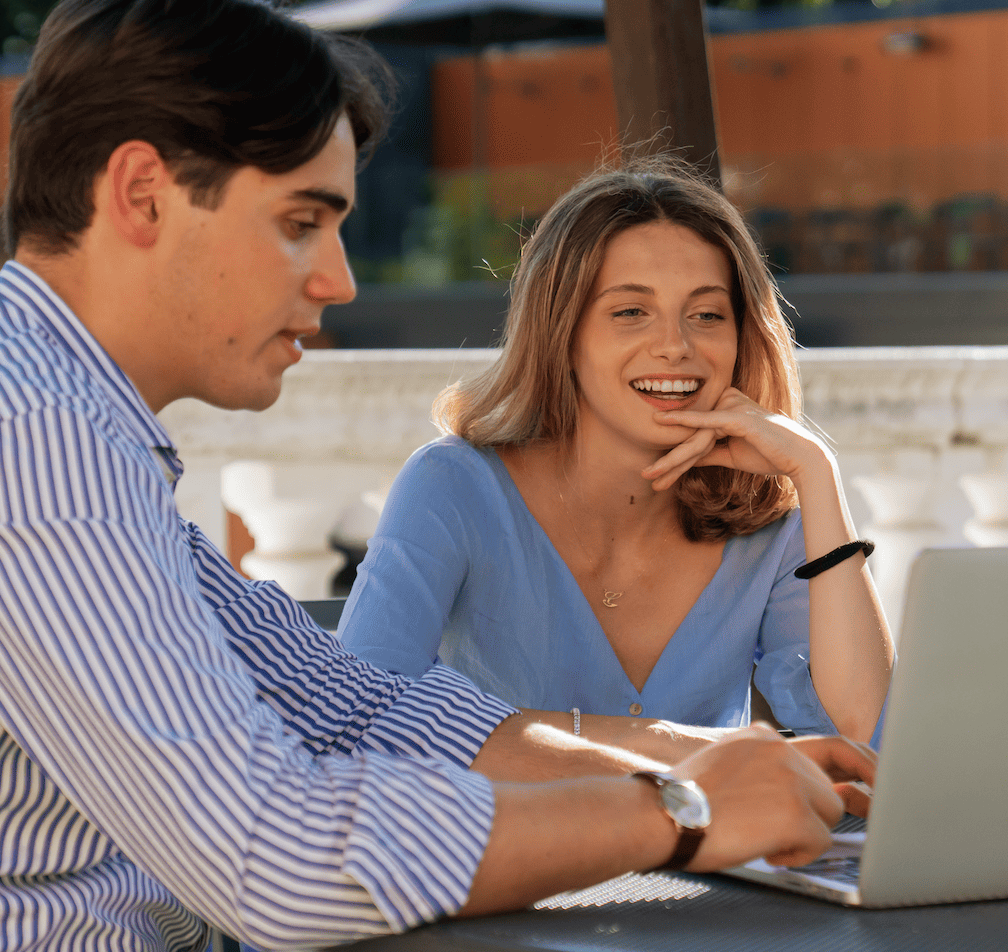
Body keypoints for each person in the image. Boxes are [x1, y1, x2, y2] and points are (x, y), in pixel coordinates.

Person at [0, 0, 875, 951]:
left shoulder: (45, 420)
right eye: (300, 222)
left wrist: (694, 755)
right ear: (141, 194)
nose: (338, 279)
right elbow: (274, 859)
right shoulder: (12, 446)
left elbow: (351, 706)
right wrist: (675, 811)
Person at [338, 165, 892, 751]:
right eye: (631, 311)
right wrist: (660, 743)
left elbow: (865, 739)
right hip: (501, 841)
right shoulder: (453, 488)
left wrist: (817, 473)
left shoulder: (765, 518)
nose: (676, 346)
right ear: (562, 334)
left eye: (707, 315)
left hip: (710, 845)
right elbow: (360, 714)